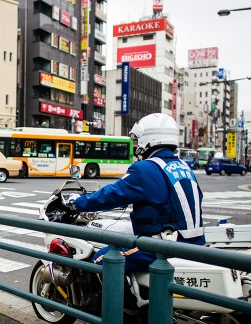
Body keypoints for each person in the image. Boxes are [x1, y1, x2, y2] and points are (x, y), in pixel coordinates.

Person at [70, 113, 205, 274]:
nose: (137, 144)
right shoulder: (184, 166)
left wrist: (78, 202)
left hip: (162, 248)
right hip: (196, 245)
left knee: (101, 259)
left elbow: (112, 194)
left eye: (138, 139)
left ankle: (118, 300)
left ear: (149, 138)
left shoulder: (145, 168)